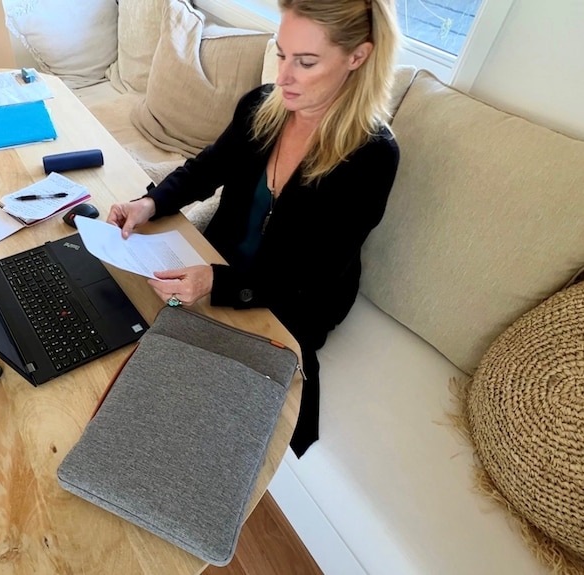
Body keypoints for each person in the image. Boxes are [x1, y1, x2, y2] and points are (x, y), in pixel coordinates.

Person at [106, 0, 400, 457]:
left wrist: (216, 283)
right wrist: (150, 203)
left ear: (357, 57)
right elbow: (208, 168)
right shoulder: (263, 106)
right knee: (118, 325)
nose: (283, 77)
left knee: (197, 418)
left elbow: (315, 273)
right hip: (219, 259)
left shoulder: (371, 156)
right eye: (282, 54)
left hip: (295, 298)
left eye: (305, 62)